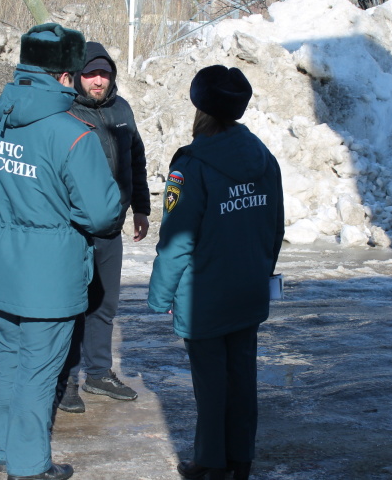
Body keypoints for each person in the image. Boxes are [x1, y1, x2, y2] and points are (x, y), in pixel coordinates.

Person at [0, 23, 122, 480]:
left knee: (6, 364)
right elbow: (102, 215)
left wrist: (0, 239)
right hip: (49, 280)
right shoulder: (71, 134)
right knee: (37, 374)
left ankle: (7, 452)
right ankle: (30, 467)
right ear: (67, 76)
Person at [147, 65, 285, 480]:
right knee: (242, 377)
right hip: (247, 288)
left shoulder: (191, 164)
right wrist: (261, 270)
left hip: (203, 295)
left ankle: (209, 462)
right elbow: (274, 225)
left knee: (210, 384)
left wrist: (160, 296)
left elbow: (177, 239)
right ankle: (240, 460)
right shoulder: (264, 158)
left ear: (200, 108)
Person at [56, 41, 151, 413]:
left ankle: (98, 373)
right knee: (71, 305)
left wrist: (141, 208)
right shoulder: (64, 111)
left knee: (104, 304)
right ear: (77, 76)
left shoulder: (121, 109)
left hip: (111, 225)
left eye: (105, 74)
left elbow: (136, 160)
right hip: (74, 227)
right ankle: (67, 380)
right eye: (91, 74)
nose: (98, 81)